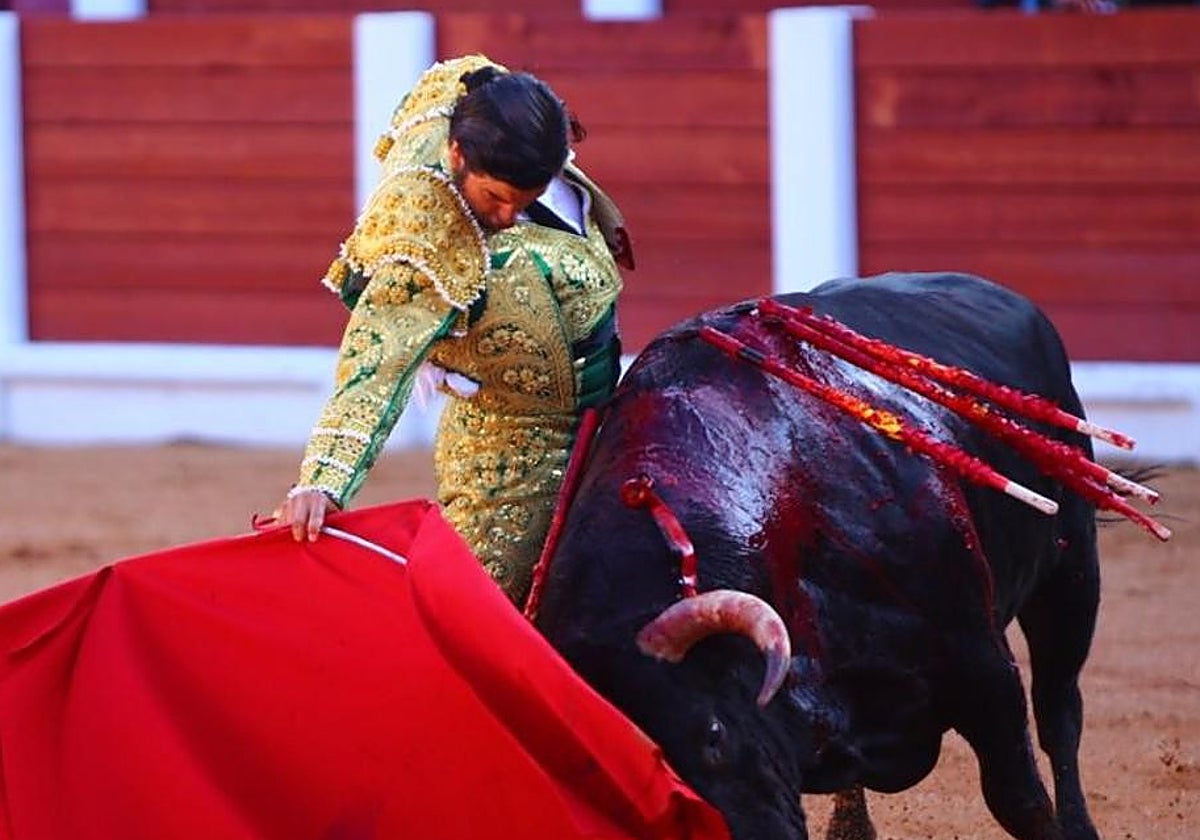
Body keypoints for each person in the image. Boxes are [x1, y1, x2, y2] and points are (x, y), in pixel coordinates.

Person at [276, 54, 632, 606]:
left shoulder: (491, 113)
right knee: (484, 611)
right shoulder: (426, 237)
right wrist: (322, 481)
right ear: (457, 154)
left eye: (527, 200)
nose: (510, 214)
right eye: (495, 197)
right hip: (514, 449)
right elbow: (376, 360)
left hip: (606, 415)